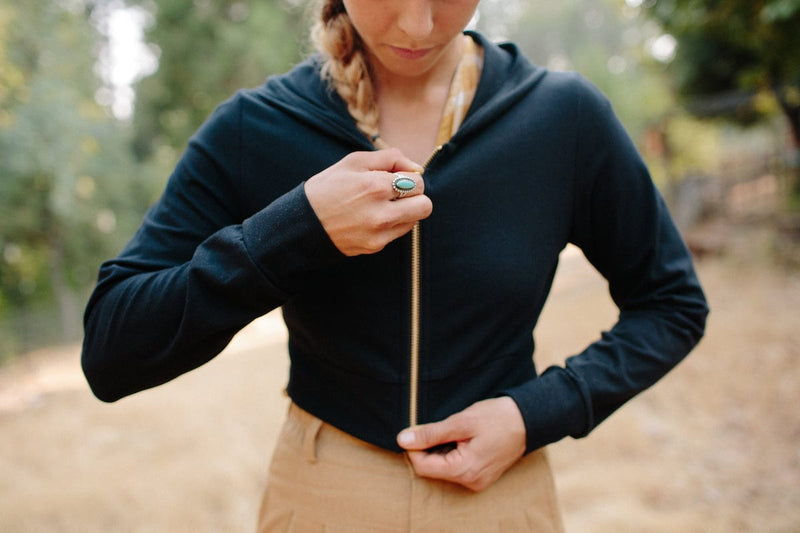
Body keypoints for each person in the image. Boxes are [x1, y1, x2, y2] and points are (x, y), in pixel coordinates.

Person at [81, 0, 709, 530]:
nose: (417, 25)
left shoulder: (563, 117)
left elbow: (672, 304)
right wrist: (297, 229)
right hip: (321, 498)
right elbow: (112, 348)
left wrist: (537, 411)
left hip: (503, 499)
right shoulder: (254, 128)